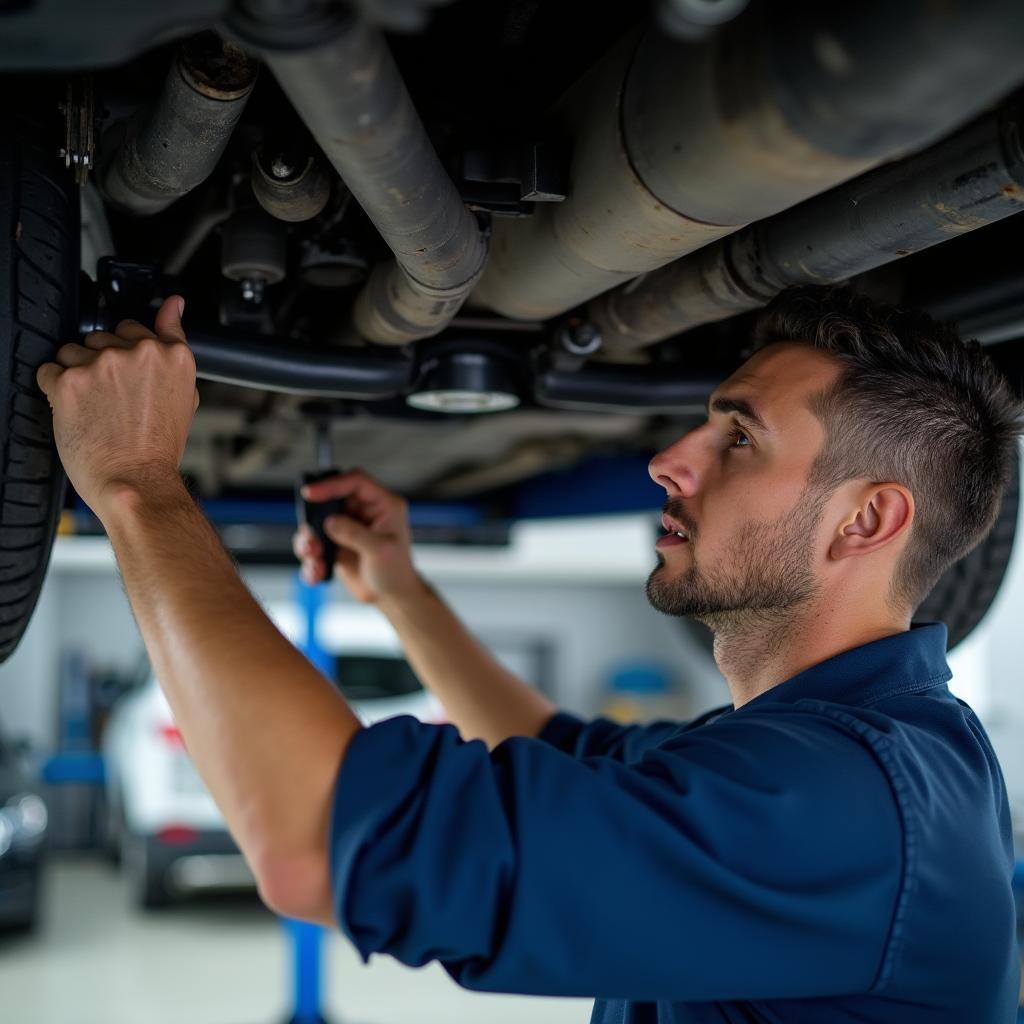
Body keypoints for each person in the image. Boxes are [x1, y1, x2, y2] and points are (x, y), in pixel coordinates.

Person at [37, 285, 1023, 1022]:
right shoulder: (860, 749)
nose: (668, 461)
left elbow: (315, 845)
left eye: (737, 439)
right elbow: (551, 749)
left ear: (866, 520)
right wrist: (398, 589)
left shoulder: (848, 803)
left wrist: (135, 486)